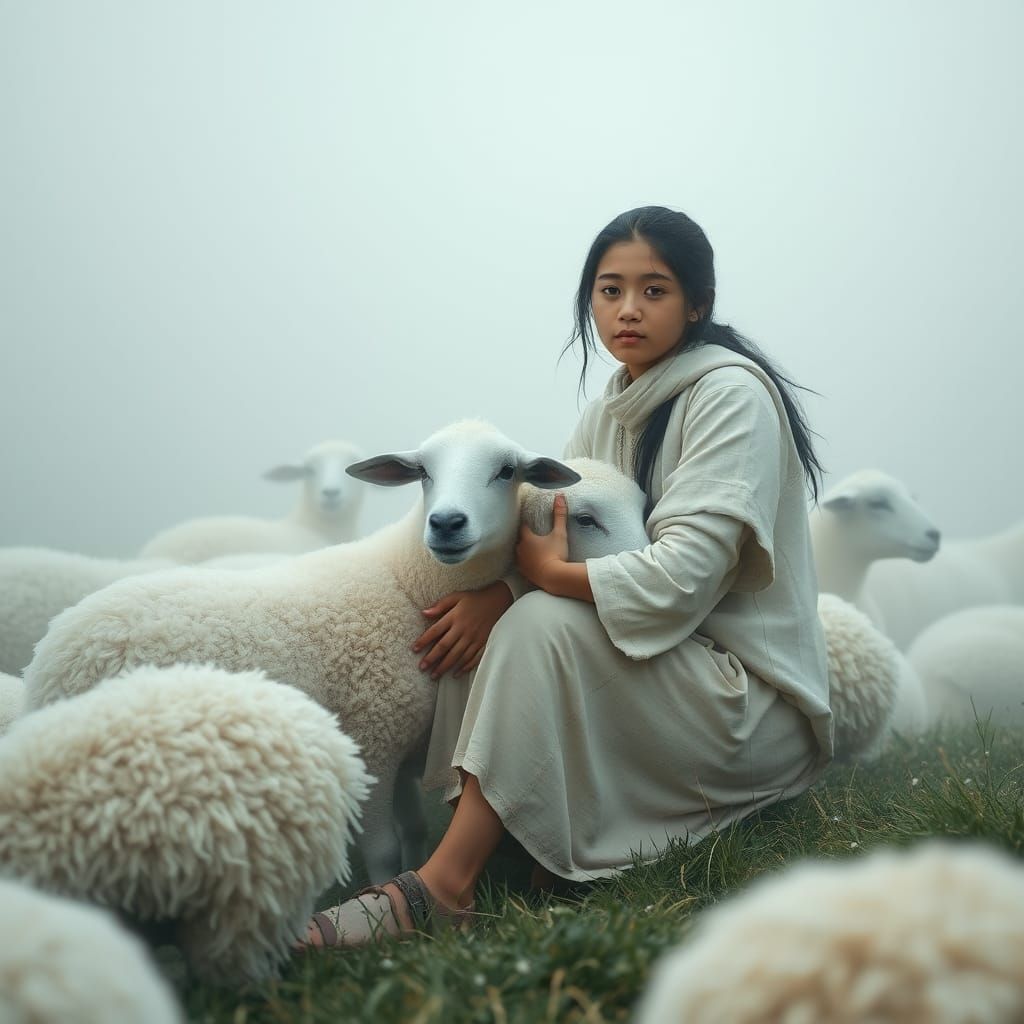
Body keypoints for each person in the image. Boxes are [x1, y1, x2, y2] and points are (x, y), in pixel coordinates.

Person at [300, 205, 833, 948]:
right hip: (664, 669)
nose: (628, 310)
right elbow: (557, 534)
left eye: (654, 290)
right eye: (610, 290)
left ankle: (444, 886)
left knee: (537, 623)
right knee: (474, 618)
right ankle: (502, 841)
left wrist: (533, 586)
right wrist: (498, 591)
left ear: (698, 304)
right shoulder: (609, 411)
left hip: (745, 702)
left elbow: (684, 577)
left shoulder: (729, 396)